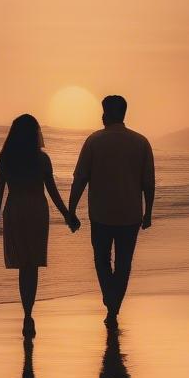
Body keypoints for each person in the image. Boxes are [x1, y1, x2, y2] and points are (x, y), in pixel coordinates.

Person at [68, 95, 155, 327]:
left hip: (101, 214)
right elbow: (149, 182)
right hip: (130, 215)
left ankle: (111, 302)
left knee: (102, 260)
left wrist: (71, 209)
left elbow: (80, 178)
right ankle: (114, 307)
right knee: (124, 263)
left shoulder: (94, 141)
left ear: (106, 114)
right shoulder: (141, 142)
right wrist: (148, 213)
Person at [0, 113, 79, 337]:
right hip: (37, 210)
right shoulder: (41, 160)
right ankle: (29, 313)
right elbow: (52, 191)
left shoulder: (6, 158)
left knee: (22, 266)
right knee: (33, 266)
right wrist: (67, 215)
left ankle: (27, 315)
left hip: (15, 210)